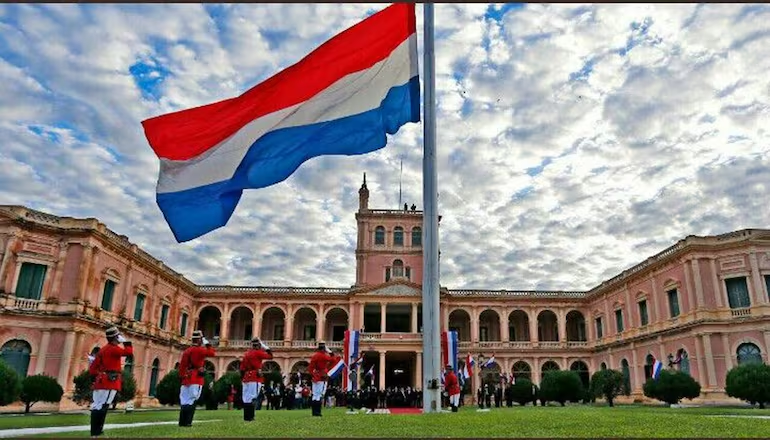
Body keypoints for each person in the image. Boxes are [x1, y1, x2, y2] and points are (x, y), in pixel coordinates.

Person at [88, 326, 133, 437]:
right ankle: (97, 431)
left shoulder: (103, 349)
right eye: (119, 336)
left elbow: (93, 369)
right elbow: (128, 353)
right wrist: (126, 342)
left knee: (97, 405)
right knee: (104, 406)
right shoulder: (114, 348)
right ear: (116, 337)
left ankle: (95, 431)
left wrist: (99, 375)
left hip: (101, 381)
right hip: (110, 382)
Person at [178, 330, 215, 427]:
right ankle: (188, 422)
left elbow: (182, 366)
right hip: (196, 377)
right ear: (199, 340)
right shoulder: (200, 350)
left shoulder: (187, 351)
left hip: (186, 377)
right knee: (192, 399)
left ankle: (182, 422)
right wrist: (207, 343)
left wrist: (182, 377)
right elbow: (212, 353)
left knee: (184, 400)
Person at [240, 337, 273, 421]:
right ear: (258, 345)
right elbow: (270, 356)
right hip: (255, 377)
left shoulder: (247, 354)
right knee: (252, 397)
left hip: (246, 377)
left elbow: (242, 368)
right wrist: (265, 347)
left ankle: (246, 417)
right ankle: (251, 417)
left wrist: (242, 378)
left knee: (246, 398)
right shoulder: (258, 353)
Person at [307, 341, 338, 417]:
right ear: (324, 349)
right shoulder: (323, 356)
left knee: (315, 395)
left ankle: (314, 412)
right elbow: (333, 360)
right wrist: (330, 352)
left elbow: (310, 368)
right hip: (322, 376)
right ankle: (318, 412)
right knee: (320, 394)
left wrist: (313, 375)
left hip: (315, 377)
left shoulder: (315, 356)